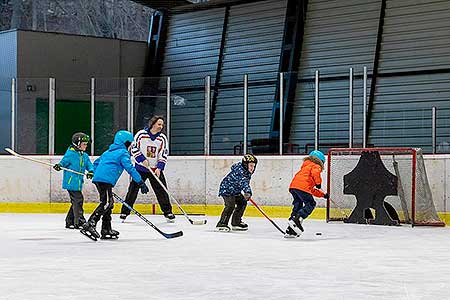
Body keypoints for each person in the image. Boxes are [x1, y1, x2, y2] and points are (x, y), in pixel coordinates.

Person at [80, 130, 149, 241]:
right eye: (129, 143)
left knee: (109, 203)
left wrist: (96, 173)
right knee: (107, 203)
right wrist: (140, 182)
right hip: (106, 180)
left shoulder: (107, 152)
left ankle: (106, 229)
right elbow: (130, 168)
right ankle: (90, 224)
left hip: (100, 179)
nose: (130, 146)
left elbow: (96, 163)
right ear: (125, 143)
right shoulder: (123, 153)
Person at [119, 115, 174, 223]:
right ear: (153, 124)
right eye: (159, 124)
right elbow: (133, 148)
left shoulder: (162, 138)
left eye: (162, 125)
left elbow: (164, 153)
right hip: (140, 169)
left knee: (162, 190)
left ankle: (168, 212)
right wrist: (142, 159)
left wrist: (159, 167)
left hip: (155, 170)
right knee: (133, 190)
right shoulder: (141, 134)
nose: (160, 127)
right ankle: (125, 212)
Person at [53, 132, 94, 229]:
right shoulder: (70, 154)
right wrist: (59, 166)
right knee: (78, 200)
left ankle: (70, 221)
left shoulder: (84, 155)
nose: (85, 146)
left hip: (78, 182)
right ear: (77, 144)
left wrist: (91, 171)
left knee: (76, 201)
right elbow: (63, 162)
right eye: (84, 144)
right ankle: (79, 221)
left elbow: (89, 165)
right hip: (71, 182)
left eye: (86, 144)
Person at [285, 150, 329, 238]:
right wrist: (318, 183)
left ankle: (291, 229)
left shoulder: (305, 167)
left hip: (294, 187)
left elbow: (311, 190)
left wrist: (323, 195)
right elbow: (315, 174)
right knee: (311, 203)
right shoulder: (316, 165)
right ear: (321, 161)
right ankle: (297, 219)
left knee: (298, 205)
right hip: (302, 188)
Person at [216, 154, 257, 232]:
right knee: (230, 205)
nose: (252, 168)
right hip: (227, 190)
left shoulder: (246, 171)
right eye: (251, 166)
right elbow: (243, 182)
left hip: (235, 191)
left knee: (242, 202)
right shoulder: (240, 172)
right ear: (245, 165)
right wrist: (247, 192)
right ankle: (222, 223)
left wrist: (246, 193)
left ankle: (236, 222)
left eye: (254, 166)